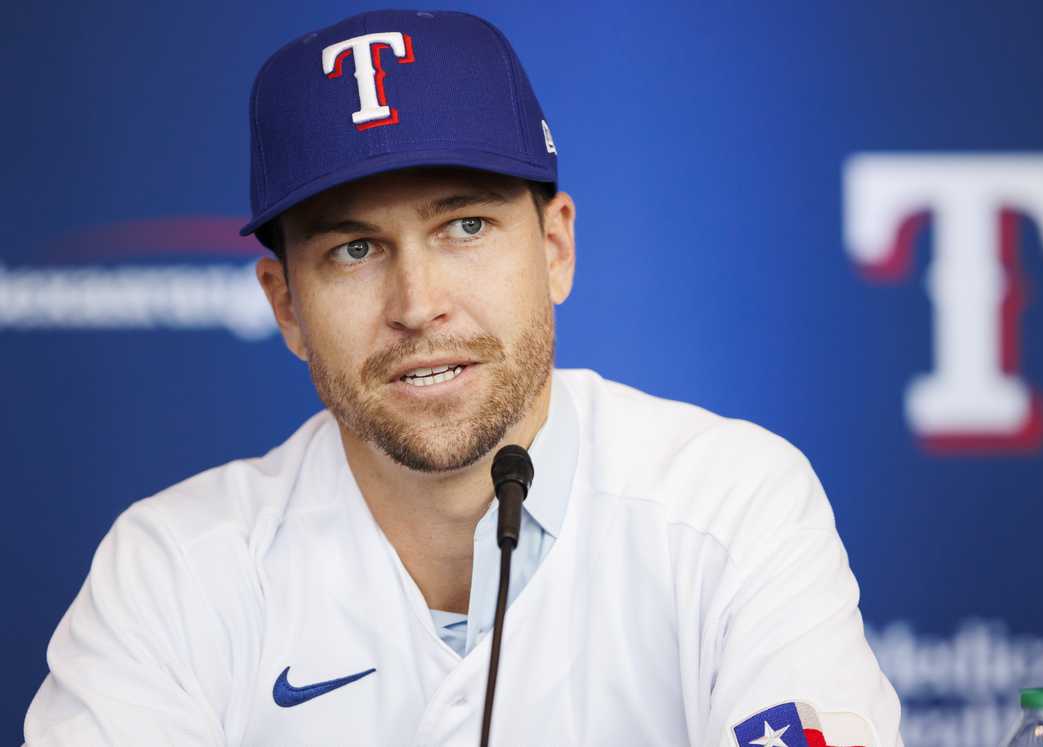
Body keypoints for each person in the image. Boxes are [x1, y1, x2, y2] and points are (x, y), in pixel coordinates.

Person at [24, 9, 903, 747]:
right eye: (355, 249)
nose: (418, 303)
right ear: (286, 304)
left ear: (554, 246)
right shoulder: (173, 570)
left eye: (467, 226)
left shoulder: (728, 507)